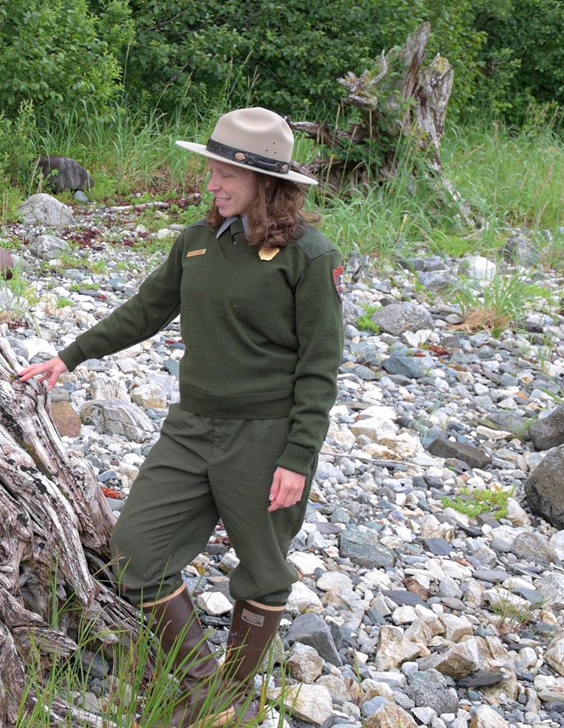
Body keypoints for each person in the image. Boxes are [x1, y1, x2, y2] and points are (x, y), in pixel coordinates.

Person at [18, 107, 344, 726]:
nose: (213, 184)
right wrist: (69, 356)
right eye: (212, 170)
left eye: (228, 175)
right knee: (137, 550)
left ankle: (226, 701)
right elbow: (145, 310)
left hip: (266, 436)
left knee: (262, 569)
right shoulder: (197, 242)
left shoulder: (311, 257)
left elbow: (320, 368)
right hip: (191, 426)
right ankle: (202, 684)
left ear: (267, 182)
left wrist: (298, 458)